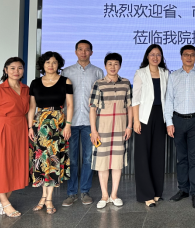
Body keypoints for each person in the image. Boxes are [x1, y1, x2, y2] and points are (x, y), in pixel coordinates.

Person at [0, 57, 30, 218]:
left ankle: (2, 202)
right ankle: (6, 203)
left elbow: (28, 111)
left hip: (20, 129)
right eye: (12, 68)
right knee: (0, 166)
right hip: (3, 129)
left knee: (15, 166)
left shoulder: (26, 89)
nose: (16, 71)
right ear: (5, 70)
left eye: (20, 68)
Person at [164, 45, 195, 209]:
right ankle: (183, 189)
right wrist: (169, 122)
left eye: (192, 55)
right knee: (181, 158)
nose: (189, 57)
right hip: (177, 121)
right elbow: (169, 100)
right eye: (186, 54)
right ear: (181, 57)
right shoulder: (174, 76)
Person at [28, 51, 73, 215]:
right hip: (40, 124)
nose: (51, 65)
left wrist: (68, 125)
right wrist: (30, 127)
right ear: (43, 65)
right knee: (42, 161)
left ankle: (48, 199)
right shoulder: (35, 83)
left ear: (58, 64)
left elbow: (70, 104)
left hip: (57, 124)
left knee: (53, 161)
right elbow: (32, 107)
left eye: (54, 62)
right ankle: (44, 198)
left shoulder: (65, 81)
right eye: (47, 62)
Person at [61, 40, 104, 207]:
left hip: (89, 122)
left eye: (87, 50)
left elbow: (101, 98)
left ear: (91, 52)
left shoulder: (98, 72)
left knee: (88, 158)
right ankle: (71, 193)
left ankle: (85, 191)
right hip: (70, 122)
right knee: (72, 159)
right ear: (75, 52)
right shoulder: (66, 72)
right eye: (80, 49)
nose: (83, 52)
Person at [89, 52, 133, 209]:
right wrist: (94, 131)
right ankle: (104, 195)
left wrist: (129, 126)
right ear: (105, 66)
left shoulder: (126, 83)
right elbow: (92, 108)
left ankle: (114, 195)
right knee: (102, 163)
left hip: (120, 128)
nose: (113, 67)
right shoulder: (98, 84)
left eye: (116, 64)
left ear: (120, 66)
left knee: (117, 163)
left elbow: (129, 106)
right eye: (110, 64)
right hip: (102, 128)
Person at [132, 44, 169, 207]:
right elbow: (135, 99)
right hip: (144, 117)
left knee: (158, 155)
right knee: (143, 156)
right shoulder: (140, 73)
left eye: (158, 54)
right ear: (147, 56)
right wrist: (136, 120)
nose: (155, 57)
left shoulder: (165, 73)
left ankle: (156, 192)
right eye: (152, 54)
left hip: (161, 116)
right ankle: (146, 194)